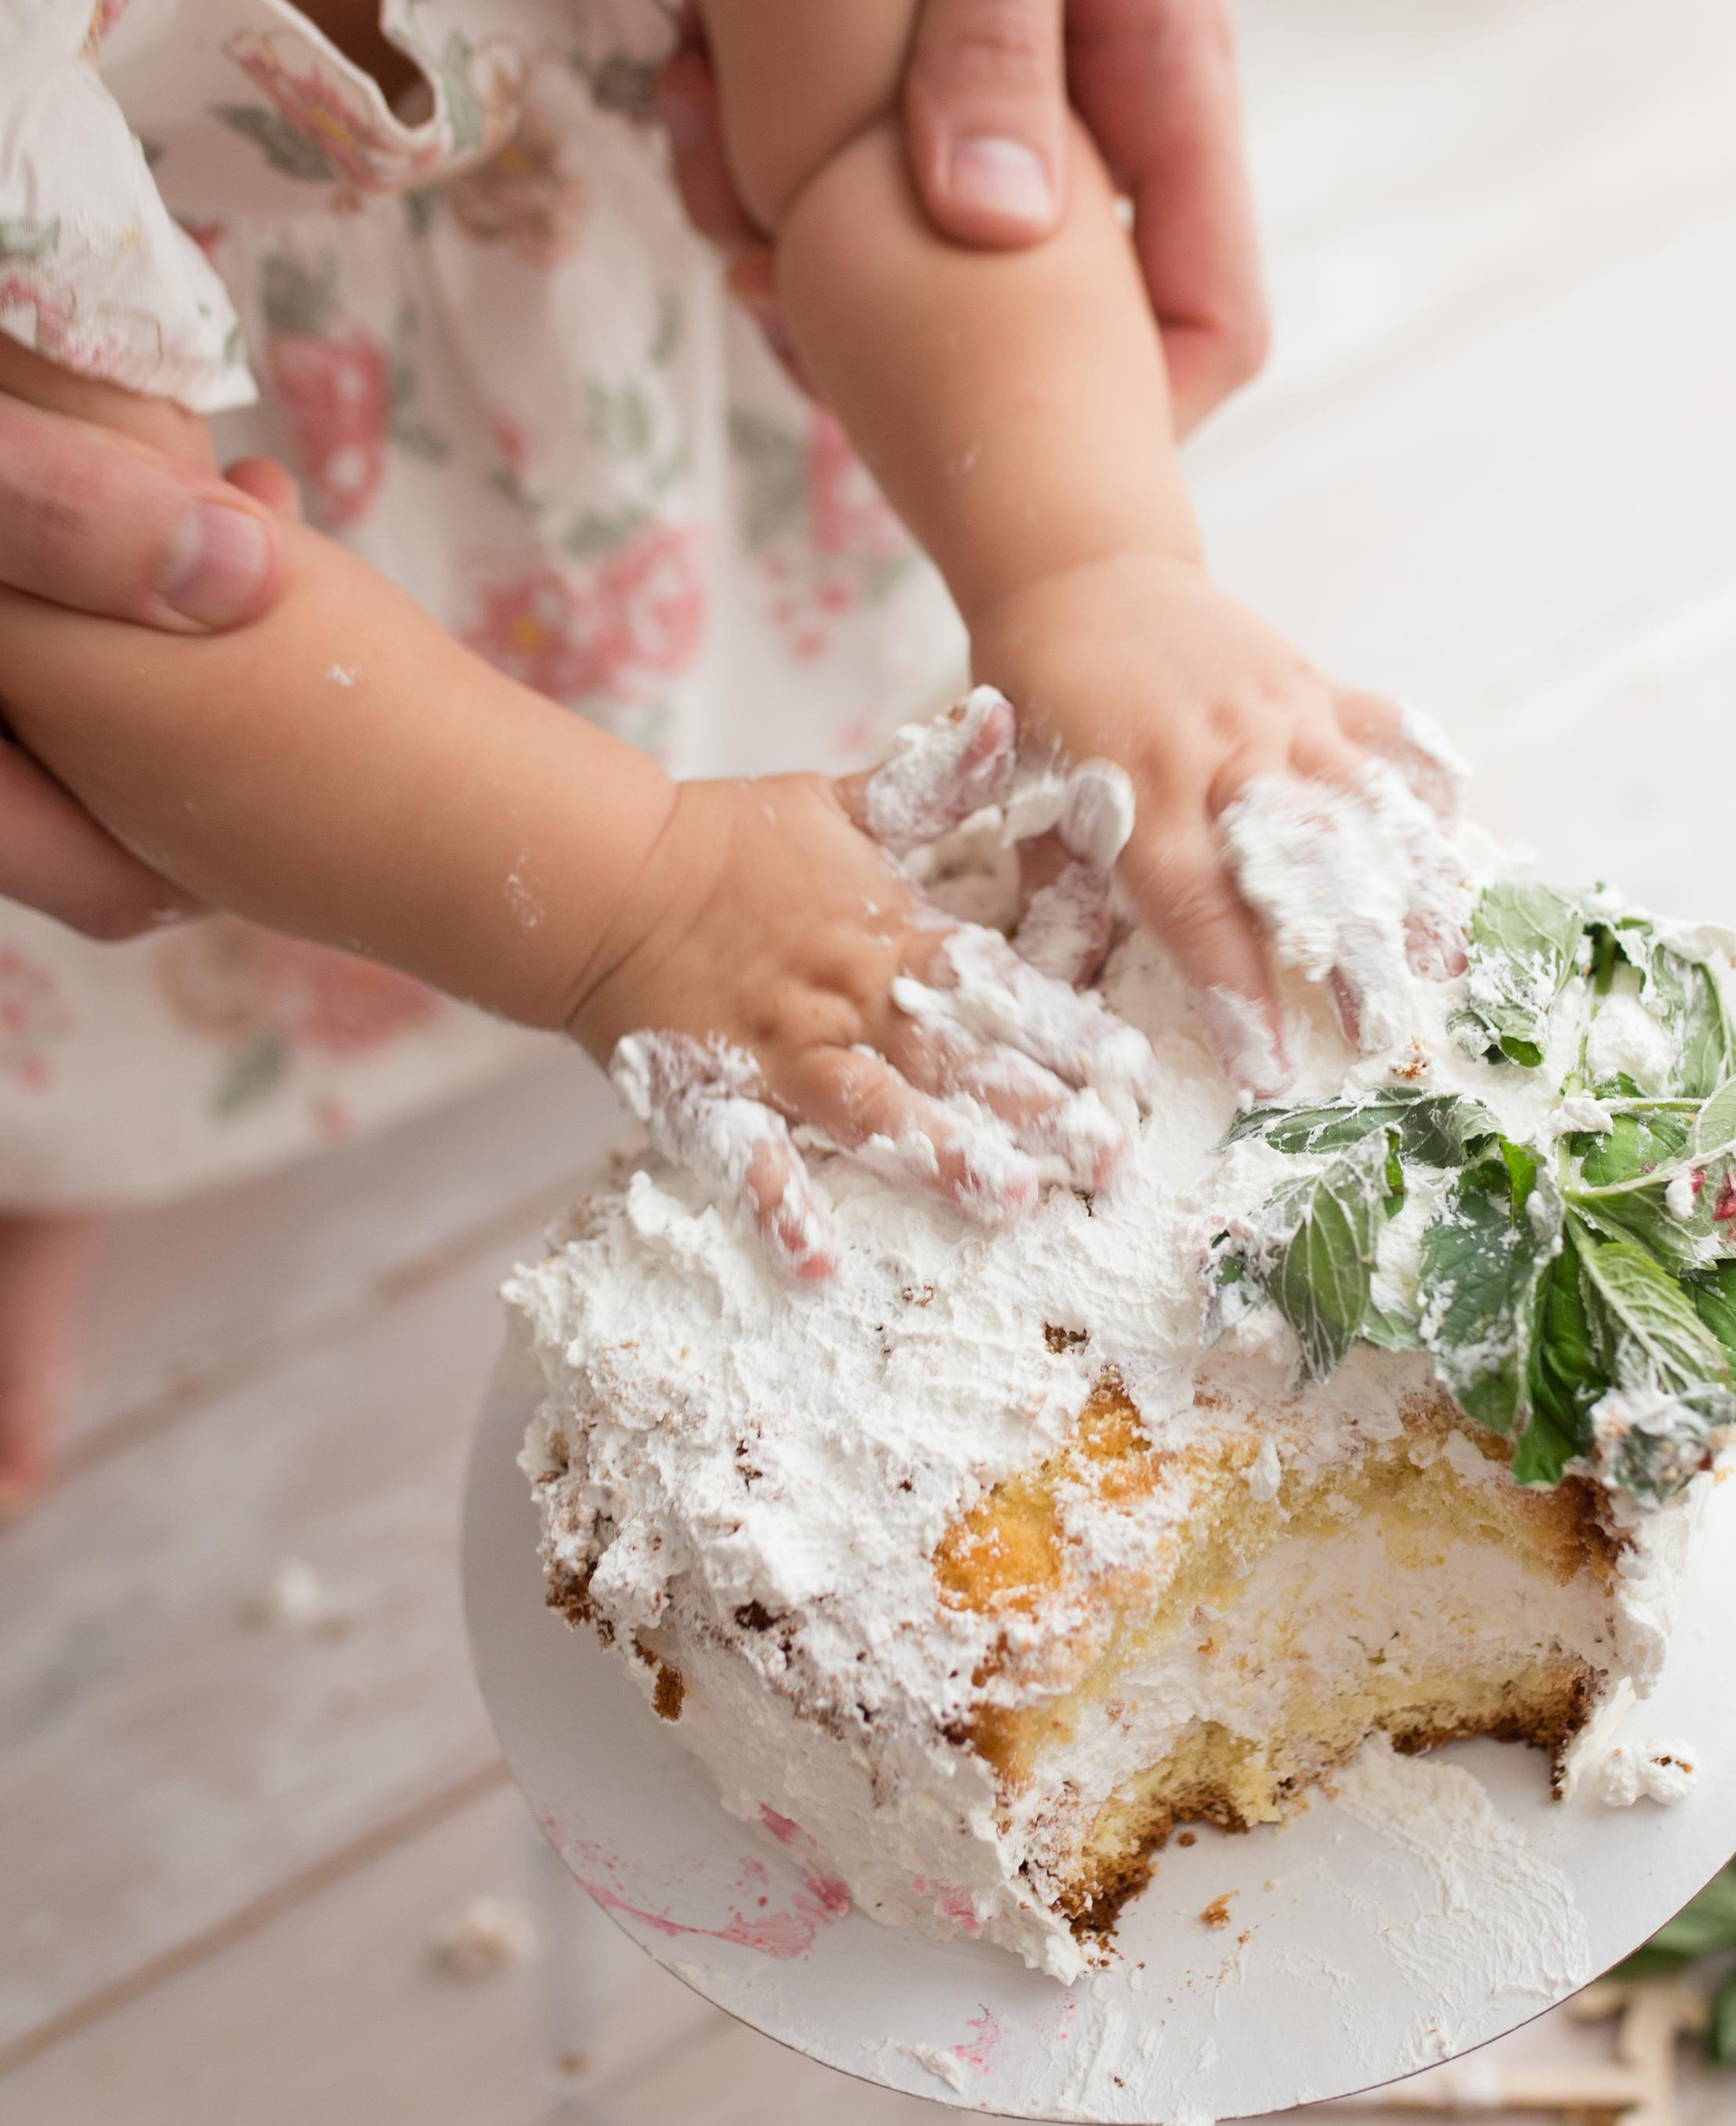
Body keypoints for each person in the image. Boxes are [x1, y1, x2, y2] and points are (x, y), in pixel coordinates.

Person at [0, 0, 1463, 1515]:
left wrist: (1091, 568)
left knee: (795, 787)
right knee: (120, 999)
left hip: (661, 467)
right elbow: (109, 591)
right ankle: (56, 1164)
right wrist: (640, 901)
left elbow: (873, 132)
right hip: (247, 692)